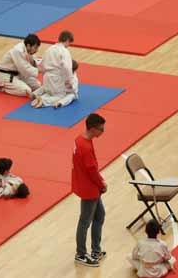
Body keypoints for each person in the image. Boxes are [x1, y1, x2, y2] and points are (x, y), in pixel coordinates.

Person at [73, 113, 107, 267]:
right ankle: (81, 254)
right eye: (101, 129)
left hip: (86, 184)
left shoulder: (79, 140)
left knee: (99, 215)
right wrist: (102, 184)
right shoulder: (85, 147)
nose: (103, 132)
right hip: (90, 188)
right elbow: (92, 169)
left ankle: (95, 250)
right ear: (93, 129)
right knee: (85, 222)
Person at [32, 31, 77, 108]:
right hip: (56, 79)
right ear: (67, 40)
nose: (68, 45)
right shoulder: (64, 51)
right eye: (69, 43)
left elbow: (42, 64)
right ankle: (43, 101)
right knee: (61, 96)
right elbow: (67, 68)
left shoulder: (50, 48)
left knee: (49, 93)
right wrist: (69, 81)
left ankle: (37, 98)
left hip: (46, 78)